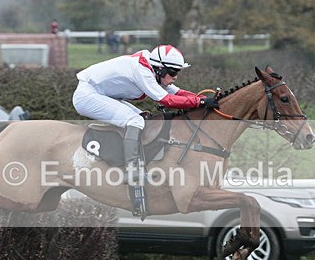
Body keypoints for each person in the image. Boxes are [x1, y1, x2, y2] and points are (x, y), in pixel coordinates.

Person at [73, 44, 218, 188]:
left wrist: (205, 99)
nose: (175, 77)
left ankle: (137, 161)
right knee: (135, 121)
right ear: (160, 69)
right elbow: (167, 100)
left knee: (143, 118)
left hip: (101, 94)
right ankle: (131, 170)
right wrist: (201, 101)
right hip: (87, 96)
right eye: (173, 72)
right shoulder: (143, 71)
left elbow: (177, 93)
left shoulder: (153, 69)